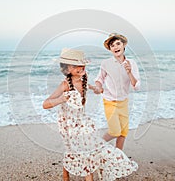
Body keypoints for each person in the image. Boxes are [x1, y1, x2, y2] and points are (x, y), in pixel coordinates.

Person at [43, 48, 138, 181]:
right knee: (74, 150)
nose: (81, 67)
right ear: (67, 70)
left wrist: (98, 89)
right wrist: (62, 99)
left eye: (82, 64)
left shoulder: (84, 81)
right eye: (75, 65)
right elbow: (45, 104)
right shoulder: (65, 85)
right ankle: (68, 174)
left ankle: (81, 172)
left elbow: (95, 89)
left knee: (88, 149)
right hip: (68, 125)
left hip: (83, 122)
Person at [92, 33, 140, 150]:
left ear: (123, 45)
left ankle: (119, 158)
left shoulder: (132, 63)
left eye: (118, 43)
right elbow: (99, 79)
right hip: (110, 101)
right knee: (114, 132)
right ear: (110, 49)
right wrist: (98, 87)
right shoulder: (106, 63)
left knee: (123, 133)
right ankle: (95, 147)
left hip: (124, 102)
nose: (115, 47)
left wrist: (129, 72)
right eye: (112, 45)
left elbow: (136, 86)